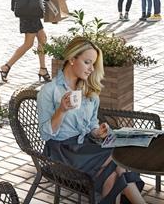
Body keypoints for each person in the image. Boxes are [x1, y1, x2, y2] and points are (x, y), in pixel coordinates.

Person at [36, 37, 147, 204]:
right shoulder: (49, 91)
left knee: (112, 175)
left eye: (93, 64)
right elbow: (45, 134)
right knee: (116, 157)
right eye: (87, 62)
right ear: (72, 59)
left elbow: (91, 125)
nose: (91, 69)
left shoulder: (88, 89)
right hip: (62, 152)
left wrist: (97, 131)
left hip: (84, 148)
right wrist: (61, 111)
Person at [0, 0, 63, 84]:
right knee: (28, 44)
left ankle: (43, 69)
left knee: (43, 38)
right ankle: (6, 67)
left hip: (27, 10)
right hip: (30, 12)